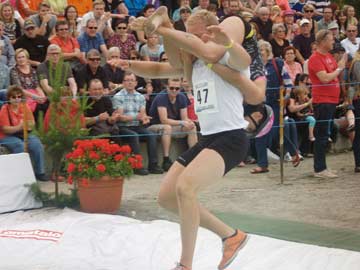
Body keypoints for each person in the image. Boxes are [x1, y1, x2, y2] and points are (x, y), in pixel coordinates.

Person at [116, 8, 267, 270]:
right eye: (189, 35)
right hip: (208, 139)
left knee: (185, 188)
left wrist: (162, 28)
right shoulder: (195, 64)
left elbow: (241, 59)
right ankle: (231, 236)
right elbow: (158, 68)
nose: (191, 41)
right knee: (166, 197)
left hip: (231, 138)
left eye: (196, 36)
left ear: (211, 34)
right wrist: (128, 65)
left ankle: (185, 265)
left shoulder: (224, 60)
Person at [308, 29, 347, 179]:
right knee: (322, 134)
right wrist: (339, 68)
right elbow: (324, 78)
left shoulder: (329, 56)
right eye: (331, 40)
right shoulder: (315, 58)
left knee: (325, 134)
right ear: (323, 41)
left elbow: (334, 76)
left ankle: (322, 167)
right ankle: (319, 169)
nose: (333, 42)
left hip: (331, 100)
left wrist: (339, 67)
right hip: (323, 100)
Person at [112, 71, 164, 175]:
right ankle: (137, 166)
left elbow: (143, 115)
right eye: (127, 81)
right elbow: (121, 118)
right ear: (123, 82)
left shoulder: (140, 97)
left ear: (136, 83)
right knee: (134, 135)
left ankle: (153, 165)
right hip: (123, 127)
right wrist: (136, 116)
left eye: (132, 80)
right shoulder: (118, 97)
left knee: (151, 135)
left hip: (137, 125)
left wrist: (145, 119)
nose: (130, 83)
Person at [0, 85, 46, 181]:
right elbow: (5, 129)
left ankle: (40, 172)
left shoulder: (25, 107)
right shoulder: (4, 109)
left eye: (19, 96)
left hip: (23, 133)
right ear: (9, 98)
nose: (17, 99)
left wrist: (26, 126)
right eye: (14, 97)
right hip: (7, 136)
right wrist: (19, 127)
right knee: (19, 146)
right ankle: (21, 174)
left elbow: (32, 123)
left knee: (37, 144)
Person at [10, 48, 47, 120]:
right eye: (19, 57)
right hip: (22, 94)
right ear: (16, 59)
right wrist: (35, 97)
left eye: (23, 57)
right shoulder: (14, 71)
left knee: (45, 103)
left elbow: (37, 86)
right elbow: (19, 88)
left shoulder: (32, 70)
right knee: (37, 106)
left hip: (35, 93)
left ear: (27, 58)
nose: (21, 59)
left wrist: (42, 96)